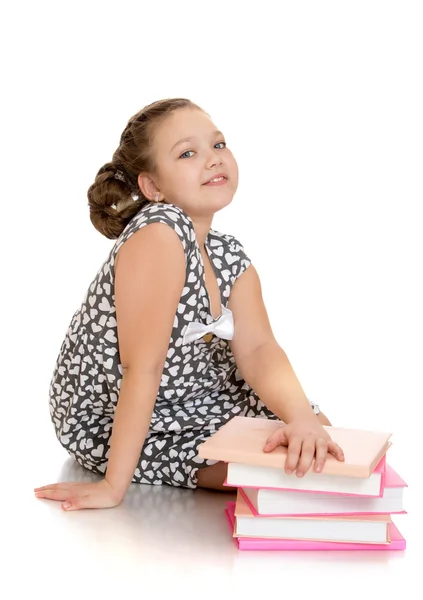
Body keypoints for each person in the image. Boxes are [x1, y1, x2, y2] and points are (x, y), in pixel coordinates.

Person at [34, 98, 344, 511]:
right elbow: (142, 367)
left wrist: (301, 418)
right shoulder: (159, 232)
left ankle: (293, 430)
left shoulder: (227, 254)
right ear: (152, 187)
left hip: (197, 394)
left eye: (218, 145)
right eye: (188, 153)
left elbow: (258, 349)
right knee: (280, 470)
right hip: (120, 412)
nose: (213, 160)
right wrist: (113, 487)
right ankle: (153, 461)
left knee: (319, 440)